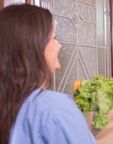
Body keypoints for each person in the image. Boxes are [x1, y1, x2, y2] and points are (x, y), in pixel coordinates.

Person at [0, 4, 96, 144]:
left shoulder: (8, 104)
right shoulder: (53, 107)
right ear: (33, 47)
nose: (59, 45)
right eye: (54, 38)